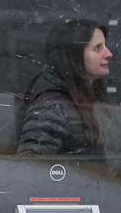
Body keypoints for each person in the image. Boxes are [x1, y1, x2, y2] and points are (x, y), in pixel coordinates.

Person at [16, 19, 112, 157]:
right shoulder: (51, 106)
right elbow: (31, 163)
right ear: (76, 56)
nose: (109, 54)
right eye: (97, 48)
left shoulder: (89, 95)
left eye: (105, 45)